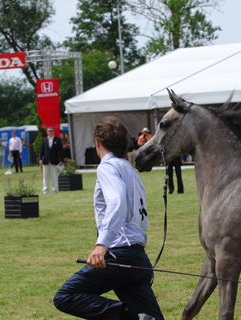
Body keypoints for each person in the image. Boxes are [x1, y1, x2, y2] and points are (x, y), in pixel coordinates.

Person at [54, 117, 164, 320]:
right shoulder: (128, 169)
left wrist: (102, 245)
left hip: (118, 254)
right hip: (137, 257)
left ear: (97, 142)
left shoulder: (107, 166)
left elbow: (117, 202)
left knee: (65, 296)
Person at [38, 126, 64, 194]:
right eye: (49, 131)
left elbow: (61, 150)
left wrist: (61, 160)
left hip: (54, 160)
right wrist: (40, 158)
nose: (50, 132)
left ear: (53, 132)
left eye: (51, 131)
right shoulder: (44, 140)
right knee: (45, 176)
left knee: (54, 176)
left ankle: (55, 190)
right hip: (46, 161)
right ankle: (45, 190)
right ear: (47, 132)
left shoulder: (57, 140)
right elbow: (41, 150)